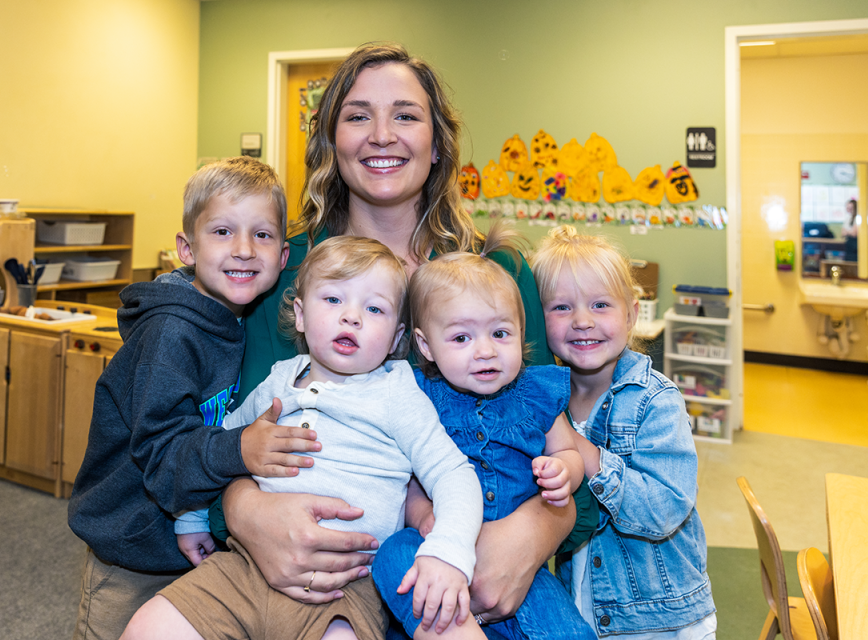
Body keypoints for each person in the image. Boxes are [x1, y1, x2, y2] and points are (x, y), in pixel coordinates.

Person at [209, 43, 598, 630]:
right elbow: (224, 435)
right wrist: (242, 513)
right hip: (325, 596)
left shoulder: (501, 277)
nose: (382, 135)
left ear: (437, 143)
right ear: (330, 142)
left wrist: (538, 532)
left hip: (495, 601)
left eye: (406, 116)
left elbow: (579, 454)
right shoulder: (283, 273)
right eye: (358, 115)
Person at [123, 236, 484, 640]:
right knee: (146, 628)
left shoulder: (396, 393)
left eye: (374, 308)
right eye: (333, 300)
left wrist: (450, 553)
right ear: (299, 314)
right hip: (244, 567)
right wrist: (190, 513)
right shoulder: (279, 378)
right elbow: (221, 444)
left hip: (343, 588)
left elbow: (452, 473)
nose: (352, 317)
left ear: (397, 337)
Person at [67, 157, 293, 640]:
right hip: (132, 551)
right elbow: (163, 451)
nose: (244, 250)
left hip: (192, 545)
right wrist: (240, 449)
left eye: (263, 235)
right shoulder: (172, 332)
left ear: (284, 256)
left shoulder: (239, 318)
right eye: (222, 232)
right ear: (187, 249)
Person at [372, 227, 597, 640]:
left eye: (500, 333)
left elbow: (570, 451)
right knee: (393, 558)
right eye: (461, 337)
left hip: (517, 561)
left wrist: (563, 470)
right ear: (425, 345)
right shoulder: (416, 397)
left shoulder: (535, 394)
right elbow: (404, 476)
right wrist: (425, 518)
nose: (486, 350)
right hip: (439, 548)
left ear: (520, 332)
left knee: (564, 628)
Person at [531, 226, 717, 638]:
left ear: (631, 314)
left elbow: (666, 508)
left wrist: (582, 452)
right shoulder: (545, 401)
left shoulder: (656, 401)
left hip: (661, 619)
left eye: (600, 305)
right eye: (561, 307)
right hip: (584, 611)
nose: (582, 321)